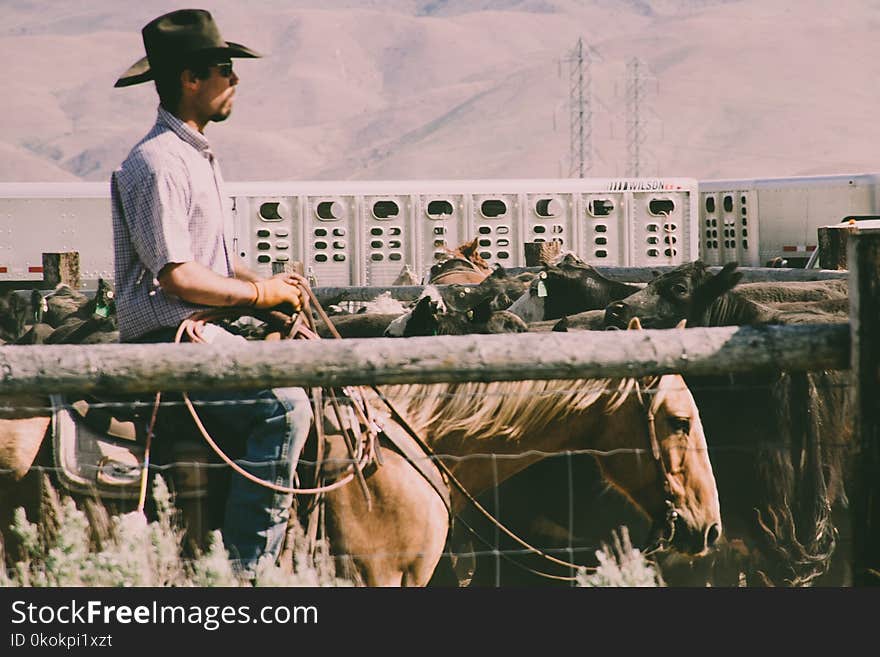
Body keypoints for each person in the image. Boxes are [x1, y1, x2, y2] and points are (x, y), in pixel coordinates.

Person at [111, 8, 313, 577]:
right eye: (225, 68)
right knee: (284, 409)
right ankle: (246, 576)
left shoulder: (195, 157)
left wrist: (266, 286)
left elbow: (210, 264)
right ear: (190, 79)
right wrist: (258, 296)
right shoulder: (157, 163)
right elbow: (177, 276)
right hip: (168, 338)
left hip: (197, 329)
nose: (236, 80)